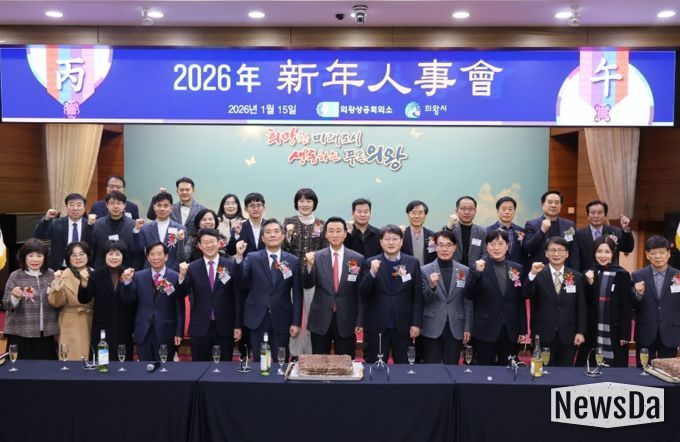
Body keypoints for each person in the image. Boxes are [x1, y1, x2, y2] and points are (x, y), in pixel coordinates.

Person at [237, 219, 302, 361]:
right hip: (257, 317)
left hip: (282, 317)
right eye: (268, 232)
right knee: (259, 360)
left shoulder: (293, 260)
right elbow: (240, 278)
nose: (272, 235)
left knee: (281, 360)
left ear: (283, 236)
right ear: (262, 238)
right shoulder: (252, 257)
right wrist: (239, 257)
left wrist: (296, 322)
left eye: (276, 231)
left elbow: (298, 294)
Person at [359, 225, 423, 363]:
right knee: (375, 366)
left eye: (395, 239)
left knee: (403, 368)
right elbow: (363, 292)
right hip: (377, 327)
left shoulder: (412, 263)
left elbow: (418, 296)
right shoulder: (371, 262)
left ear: (401, 241)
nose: (391, 242)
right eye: (387, 239)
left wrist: (416, 323)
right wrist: (372, 273)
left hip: (404, 327)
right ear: (381, 242)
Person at [303, 217, 364, 358]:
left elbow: (360, 292)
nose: (335, 235)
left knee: (346, 361)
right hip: (320, 318)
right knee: (319, 362)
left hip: (347, 319)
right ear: (325, 234)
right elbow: (307, 284)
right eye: (331, 231)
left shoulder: (357, 258)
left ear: (345, 234)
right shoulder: (316, 257)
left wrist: (359, 320)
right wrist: (309, 266)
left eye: (338, 231)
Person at [178, 228, 240, 361]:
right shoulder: (192, 267)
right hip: (200, 327)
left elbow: (237, 297)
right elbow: (182, 293)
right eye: (205, 242)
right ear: (199, 246)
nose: (209, 245)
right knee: (199, 367)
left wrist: (237, 325)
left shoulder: (230, 265)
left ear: (219, 243)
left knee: (224, 367)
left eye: (212, 241)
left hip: (225, 326)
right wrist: (182, 276)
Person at [523, 236, 586, 366]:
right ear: (546, 253)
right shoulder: (537, 274)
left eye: (561, 250)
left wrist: (580, 332)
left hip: (568, 335)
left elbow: (581, 307)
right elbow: (526, 294)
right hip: (543, 334)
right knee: (541, 371)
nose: (556, 254)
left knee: (565, 373)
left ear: (567, 254)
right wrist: (532, 274)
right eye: (552, 250)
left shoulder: (577, 277)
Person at [468, 230, 527, 365]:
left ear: (507, 246)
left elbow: (520, 300)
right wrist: (478, 274)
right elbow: (469, 295)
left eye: (500, 244)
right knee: (484, 369)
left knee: (508, 369)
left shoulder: (517, 268)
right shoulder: (477, 266)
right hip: (486, 328)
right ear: (487, 246)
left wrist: (523, 329)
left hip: (510, 329)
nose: (496, 248)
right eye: (492, 244)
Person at [121, 242, 186, 361]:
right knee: (144, 367)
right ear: (147, 257)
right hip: (143, 331)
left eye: (159, 254)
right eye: (152, 254)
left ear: (166, 257)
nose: (156, 257)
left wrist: (178, 332)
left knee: (165, 367)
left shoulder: (175, 277)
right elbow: (128, 299)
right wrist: (127, 282)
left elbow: (179, 307)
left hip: (166, 331)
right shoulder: (138, 276)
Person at [283, 188, 326, 356]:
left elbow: (324, 251)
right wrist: (288, 235)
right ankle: (294, 353)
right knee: (293, 315)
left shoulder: (321, 224)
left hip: (313, 276)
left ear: (314, 203)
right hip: (291, 275)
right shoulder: (289, 221)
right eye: (301, 201)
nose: (305, 204)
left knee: (310, 315)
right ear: (296, 203)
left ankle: (309, 353)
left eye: (308, 201)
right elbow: (283, 249)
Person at [78, 241, 136, 361]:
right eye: (110, 254)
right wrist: (83, 283)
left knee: (123, 363)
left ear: (123, 256)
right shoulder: (96, 275)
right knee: (102, 364)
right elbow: (84, 299)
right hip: (102, 328)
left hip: (123, 328)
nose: (113, 257)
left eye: (117, 254)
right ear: (104, 256)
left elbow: (129, 300)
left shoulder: (130, 274)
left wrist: (127, 282)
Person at [420, 230, 472, 364]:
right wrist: (432, 286)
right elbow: (423, 300)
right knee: (431, 368)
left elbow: (467, 301)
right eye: (441, 245)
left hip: (456, 326)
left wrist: (467, 327)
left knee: (452, 367)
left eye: (448, 245)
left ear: (454, 247)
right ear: (435, 247)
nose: (444, 249)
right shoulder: (425, 270)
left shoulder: (464, 271)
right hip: (432, 326)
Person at [2, 238, 58, 359]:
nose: (35, 259)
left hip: (46, 334)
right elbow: (6, 304)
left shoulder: (51, 274)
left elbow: (57, 301)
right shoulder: (15, 276)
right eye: (30, 255)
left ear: (45, 258)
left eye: (39, 255)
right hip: (20, 334)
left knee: (47, 368)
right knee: (20, 369)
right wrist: (15, 297)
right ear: (24, 257)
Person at [583, 236, 632, 367]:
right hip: (592, 329)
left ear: (613, 253)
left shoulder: (622, 274)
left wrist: (625, 335)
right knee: (591, 365)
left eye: (607, 252)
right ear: (594, 253)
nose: (603, 255)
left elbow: (626, 307)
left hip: (615, 330)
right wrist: (590, 284)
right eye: (599, 251)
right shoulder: (589, 273)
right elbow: (585, 303)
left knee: (614, 369)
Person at [632, 235, 680, 364]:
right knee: (643, 371)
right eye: (653, 253)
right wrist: (637, 294)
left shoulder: (678, 276)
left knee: (667, 371)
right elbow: (631, 306)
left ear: (668, 254)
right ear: (647, 255)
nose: (658, 256)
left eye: (662, 252)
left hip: (671, 333)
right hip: (645, 332)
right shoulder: (637, 275)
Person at [48, 242, 94, 360]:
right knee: (72, 360)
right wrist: (57, 283)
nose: (78, 258)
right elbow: (56, 302)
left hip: (93, 321)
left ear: (88, 255)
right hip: (71, 323)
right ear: (68, 259)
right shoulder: (62, 276)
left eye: (82, 254)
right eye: (73, 255)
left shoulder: (96, 274)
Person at [34, 193, 94, 270]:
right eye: (71, 205)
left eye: (79, 205)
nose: (75, 208)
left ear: (84, 207)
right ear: (66, 207)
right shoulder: (56, 224)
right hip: (60, 268)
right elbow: (38, 236)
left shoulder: (91, 225)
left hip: (83, 268)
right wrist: (46, 219)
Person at [523, 190, 579, 270]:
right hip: (540, 269)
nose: (553, 205)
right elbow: (527, 248)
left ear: (561, 206)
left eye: (557, 203)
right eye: (550, 202)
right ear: (542, 205)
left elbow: (574, 251)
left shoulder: (569, 225)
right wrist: (542, 231)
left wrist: (574, 271)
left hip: (563, 270)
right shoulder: (531, 224)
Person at [574, 200, 634, 272]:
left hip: (610, 274)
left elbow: (628, 248)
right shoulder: (578, 234)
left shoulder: (614, 232)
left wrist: (626, 229)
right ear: (588, 215)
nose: (596, 216)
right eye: (592, 213)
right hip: (587, 274)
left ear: (605, 215)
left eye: (600, 213)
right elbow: (575, 259)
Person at [133, 191, 186, 270]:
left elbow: (181, 255)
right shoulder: (145, 228)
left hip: (172, 271)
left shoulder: (180, 229)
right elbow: (137, 249)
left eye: (166, 206)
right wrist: (136, 230)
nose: (162, 209)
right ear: (154, 207)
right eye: (159, 205)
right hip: (150, 270)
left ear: (171, 208)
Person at [91, 191, 139, 270]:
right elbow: (93, 249)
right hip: (102, 270)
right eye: (112, 203)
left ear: (124, 205)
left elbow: (136, 251)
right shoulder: (97, 224)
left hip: (126, 269)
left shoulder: (133, 225)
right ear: (106, 205)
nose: (115, 206)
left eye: (119, 203)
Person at [443, 196, 487, 268]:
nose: (467, 212)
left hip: (475, 271)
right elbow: (442, 244)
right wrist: (449, 227)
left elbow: (486, 253)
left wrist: (481, 264)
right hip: (453, 270)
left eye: (471, 209)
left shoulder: (482, 232)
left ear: (475, 211)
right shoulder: (450, 229)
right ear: (456, 211)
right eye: (463, 209)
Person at [486, 196, 527, 267]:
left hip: (516, 269)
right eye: (503, 209)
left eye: (510, 209)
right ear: (497, 211)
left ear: (514, 211)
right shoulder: (488, 230)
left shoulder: (521, 231)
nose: (507, 212)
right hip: (494, 268)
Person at [226, 192, 267, 258]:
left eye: (259, 205)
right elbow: (230, 252)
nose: (256, 209)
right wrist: (237, 235)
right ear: (245, 209)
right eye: (252, 206)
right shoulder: (239, 227)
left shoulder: (269, 226)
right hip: (246, 263)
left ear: (264, 208)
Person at [401, 200, 436, 265]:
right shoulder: (401, 235)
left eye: (420, 213)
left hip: (427, 271)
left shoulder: (433, 236)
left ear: (425, 215)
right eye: (413, 213)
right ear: (408, 215)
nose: (417, 216)